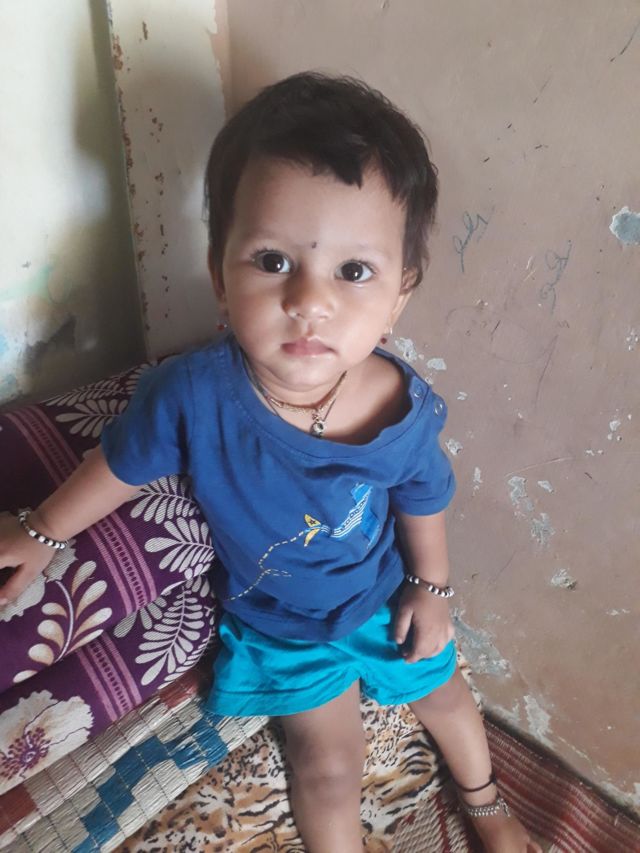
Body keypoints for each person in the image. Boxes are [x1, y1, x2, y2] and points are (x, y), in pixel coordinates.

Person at [0, 73, 541, 853]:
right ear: (219, 275)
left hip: (383, 595)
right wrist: (41, 531)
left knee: (449, 699)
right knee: (327, 768)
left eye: (354, 271)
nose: (310, 301)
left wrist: (432, 588)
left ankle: (487, 802)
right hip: (281, 624)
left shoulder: (397, 405)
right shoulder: (192, 395)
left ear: (398, 296)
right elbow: (122, 462)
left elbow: (424, 492)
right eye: (272, 260)